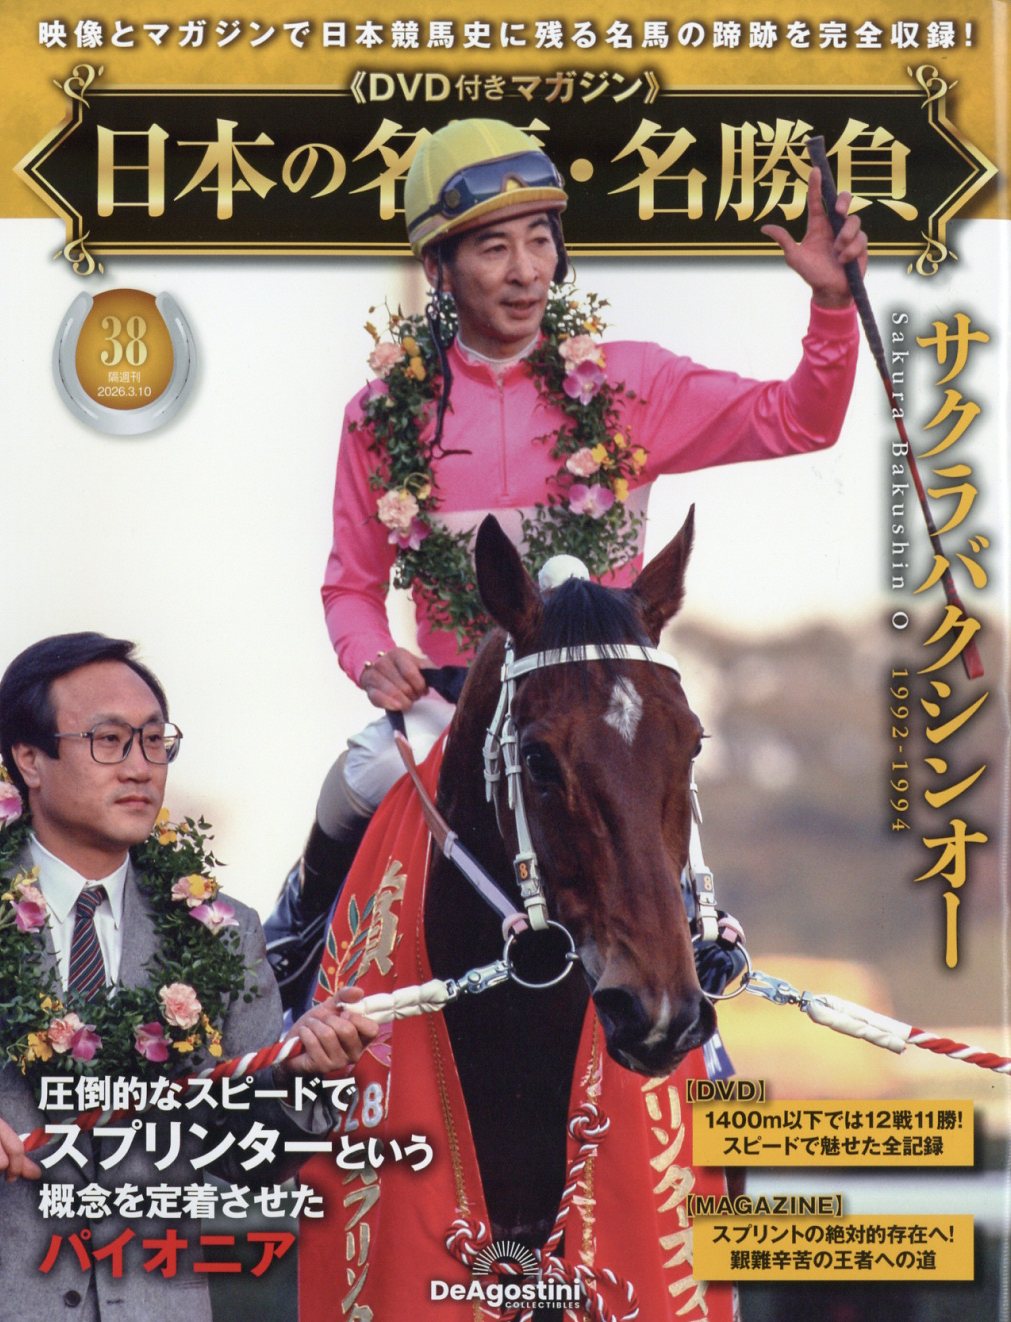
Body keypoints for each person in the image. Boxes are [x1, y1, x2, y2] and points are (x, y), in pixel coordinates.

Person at [268, 117, 867, 1005]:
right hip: (450, 707)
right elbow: (349, 586)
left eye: (539, 240)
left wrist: (830, 305)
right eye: (493, 248)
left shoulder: (633, 384)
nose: (525, 271)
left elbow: (800, 420)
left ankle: (699, 985)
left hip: (595, 712)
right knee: (356, 779)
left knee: (645, 789)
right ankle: (289, 956)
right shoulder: (381, 414)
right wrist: (370, 656)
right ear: (438, 268)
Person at [0, 631, 378, 1322]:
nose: (140, 768)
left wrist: (306, 1074)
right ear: (29, 758)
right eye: (108, 741)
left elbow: (250, 1158)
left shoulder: (221, 931)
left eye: (154, 741)